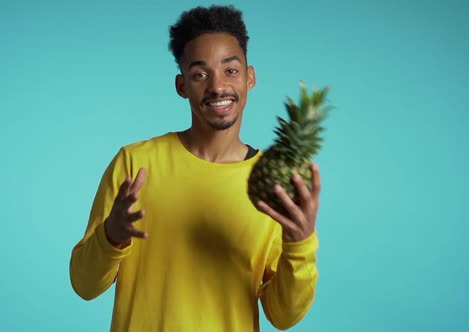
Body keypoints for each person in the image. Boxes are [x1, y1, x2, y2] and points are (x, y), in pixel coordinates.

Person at [69, 5, 321, 331]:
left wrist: (299, 245)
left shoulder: (273, 186)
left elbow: (283, 316)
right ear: (182, 85)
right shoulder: (135, 163)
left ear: (250, 77)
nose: (217, 87)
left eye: (230, 70)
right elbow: (84, 285)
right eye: (200, 74)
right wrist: (111, 237)